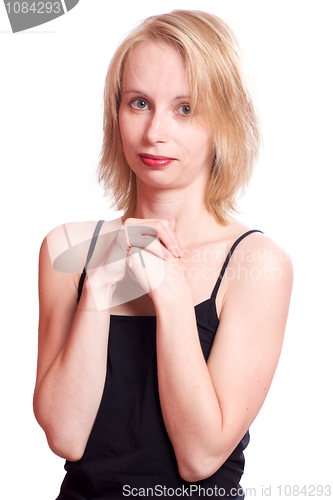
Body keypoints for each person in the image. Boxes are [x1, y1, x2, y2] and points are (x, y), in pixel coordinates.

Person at [33, 10, 293, 500]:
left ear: (224, 120)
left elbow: (200, 458)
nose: (155, 132)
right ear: (116, 113)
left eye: (186, 108)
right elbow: (65, 437)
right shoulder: (65, 249)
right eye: (139, 103)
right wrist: (99, 288)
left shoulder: (256, 263)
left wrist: (170, 293)